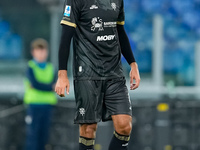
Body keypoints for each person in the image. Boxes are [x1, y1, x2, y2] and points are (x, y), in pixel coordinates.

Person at [55, 0, 140, 149]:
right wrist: (62, 74)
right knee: (88, 129)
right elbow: (66, 37)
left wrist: (133, 63)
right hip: (87, 73)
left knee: (124, 125)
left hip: (114, 72)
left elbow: (120, 31)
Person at [24, 38, 57, 150]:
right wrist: (49, 87)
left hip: (47, 106)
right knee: (33, 136)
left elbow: (53, 85)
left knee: (44, 136)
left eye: (43, 51)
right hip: (34, 105)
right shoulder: (30, 67)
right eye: (38, 51)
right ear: (33, 52)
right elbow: (35, 84)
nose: (41, 53)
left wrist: (43, 87)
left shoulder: (50, 68)